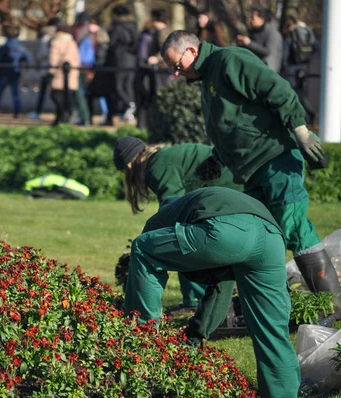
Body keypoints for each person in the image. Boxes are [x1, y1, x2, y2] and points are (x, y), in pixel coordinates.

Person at [160, 30, 340, 294]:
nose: (176, 73)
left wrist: (300, 130)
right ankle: (269, 302)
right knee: (260, 236)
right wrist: (216, 159)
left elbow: (276, 89)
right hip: (253, 172)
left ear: (193, 51)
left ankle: (331, 303)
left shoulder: (230, 60)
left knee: (293, 226)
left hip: (276, 159)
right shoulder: (208, 79)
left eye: (177, 65)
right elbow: (232, 126)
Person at [125, 186, 299, 398]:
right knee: (272, 333)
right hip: (271, 238)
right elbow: (221, 285)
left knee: (143, 248)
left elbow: (146, 264)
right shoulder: (199, 202)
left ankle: (143, 340)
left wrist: (136, 322)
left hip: (225, 231)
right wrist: (196, 335)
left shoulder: (159, 220)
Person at [113, 137, 243, 311]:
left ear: (129, 165)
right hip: (230, 190)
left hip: (232, 189)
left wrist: (148, 242)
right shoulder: (160, 159)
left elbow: (173, 208)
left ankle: (196, 301)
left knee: (181, 244)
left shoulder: (156, 166)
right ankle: (195, 300)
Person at [281, 15, 319, 125]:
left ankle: (300, 120)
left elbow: (285, 58)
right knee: (305, 96)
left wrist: (284, 71)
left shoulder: (290, 38)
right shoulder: (307, 34)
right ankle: (310, 118)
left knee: (295, 97)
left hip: (292, 72)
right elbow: (318, 49)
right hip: (307, 70)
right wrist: (309, 64)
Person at [105, 5, 138, 124]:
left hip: (120, 59)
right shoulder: (134, 25)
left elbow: (112, 43)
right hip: (131, 59)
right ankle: (130, 107)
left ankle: (130, 105)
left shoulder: (117, 27)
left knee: (119, 86)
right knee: (128, 85)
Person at [0, 25, 32, 119]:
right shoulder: (21, 47)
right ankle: (16, 113)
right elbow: (28, 58)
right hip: (15, 73)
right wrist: (25, 66)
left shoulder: (4, 46)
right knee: (16, 94)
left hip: (4, 73)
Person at [27, 19, 59, 120]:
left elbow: (41, 54)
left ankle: (38, 112)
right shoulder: (59, 38)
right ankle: (60, 113)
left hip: (46, 69)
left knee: (46, 92)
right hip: (55, 69)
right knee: (55, 93)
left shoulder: (47, 39)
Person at [48, 23, 80, 125]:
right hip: (72, 74)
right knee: (68, 98)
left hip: (59, 74)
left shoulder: (56, 42)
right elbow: (77, 60)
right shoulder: (72, 43)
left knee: (56, 96)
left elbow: (53, 60)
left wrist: (51, 71)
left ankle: (61, 118)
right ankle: (65, 117)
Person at [236, 8, 283, 72]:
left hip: (267, 71)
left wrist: (249, 43)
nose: (250, 20)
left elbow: (267, 52)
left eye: (253, 18)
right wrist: (243, 43)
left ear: (261, 19)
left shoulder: (271, 32)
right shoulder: (256, 32)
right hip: (257, 69)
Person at [71, 11, 94, 126]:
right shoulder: (93, 31)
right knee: (84, 93)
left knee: (79, 93)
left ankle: (84, 118)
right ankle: (84, 118)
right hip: (89, 67)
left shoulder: (78, 31)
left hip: (80, 67)